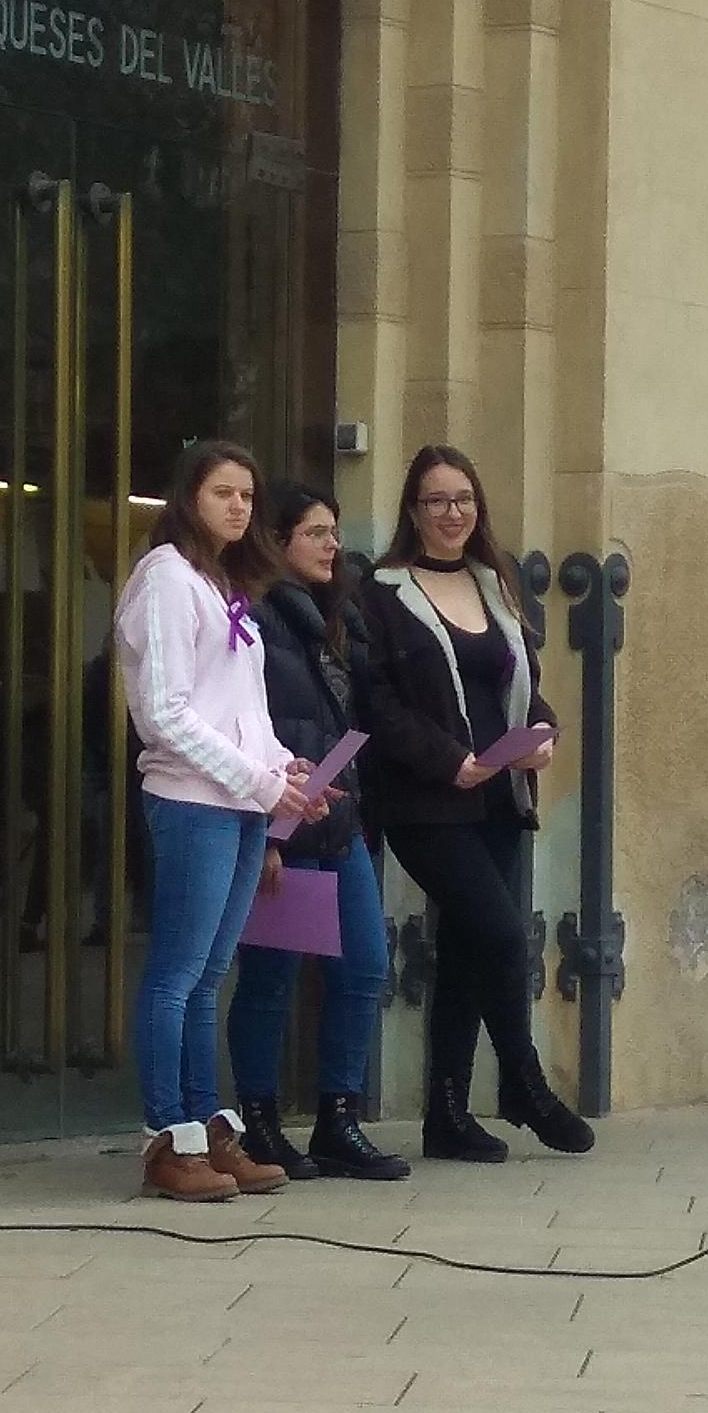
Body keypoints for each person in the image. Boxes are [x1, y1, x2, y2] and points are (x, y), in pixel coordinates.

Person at [360, 443, 595, 1162]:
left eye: (463, 499)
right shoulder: (384, 592)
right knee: (500, 933)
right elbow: (377, 705)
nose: (452, 512)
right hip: (426, 802)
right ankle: (524, 1084)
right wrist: (448, 761)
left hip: (499, 797)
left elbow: (522, 686)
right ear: (413, 511)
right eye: (436, 500)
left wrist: (542, 734)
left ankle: (447, 1117)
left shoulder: (495, 584)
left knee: (466, 951)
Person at [114, 439, 327, 1202]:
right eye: (222, 493)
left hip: (238, 804)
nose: (238, 507)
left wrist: (283, 770)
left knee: (208, 978)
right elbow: (165, 714)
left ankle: (207, 1131)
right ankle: (167, 1137)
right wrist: (260, 782)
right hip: (191, 802)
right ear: (188, 499)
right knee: (176, 976)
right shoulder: (166, 578)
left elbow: (243, 711)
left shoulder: (224, 585)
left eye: (247, 496)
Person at [226, 481, 408, 1183]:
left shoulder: (336, 618)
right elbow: (252, 729)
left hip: (336, 817)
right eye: (316, 533)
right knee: (270, 976)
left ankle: (338, 1118)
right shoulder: (256, 616)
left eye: (334, 532)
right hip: (282, 819)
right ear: (277, 542)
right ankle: (260, 1121)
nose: (333, 545)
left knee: (364, 965)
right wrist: (269, 833)